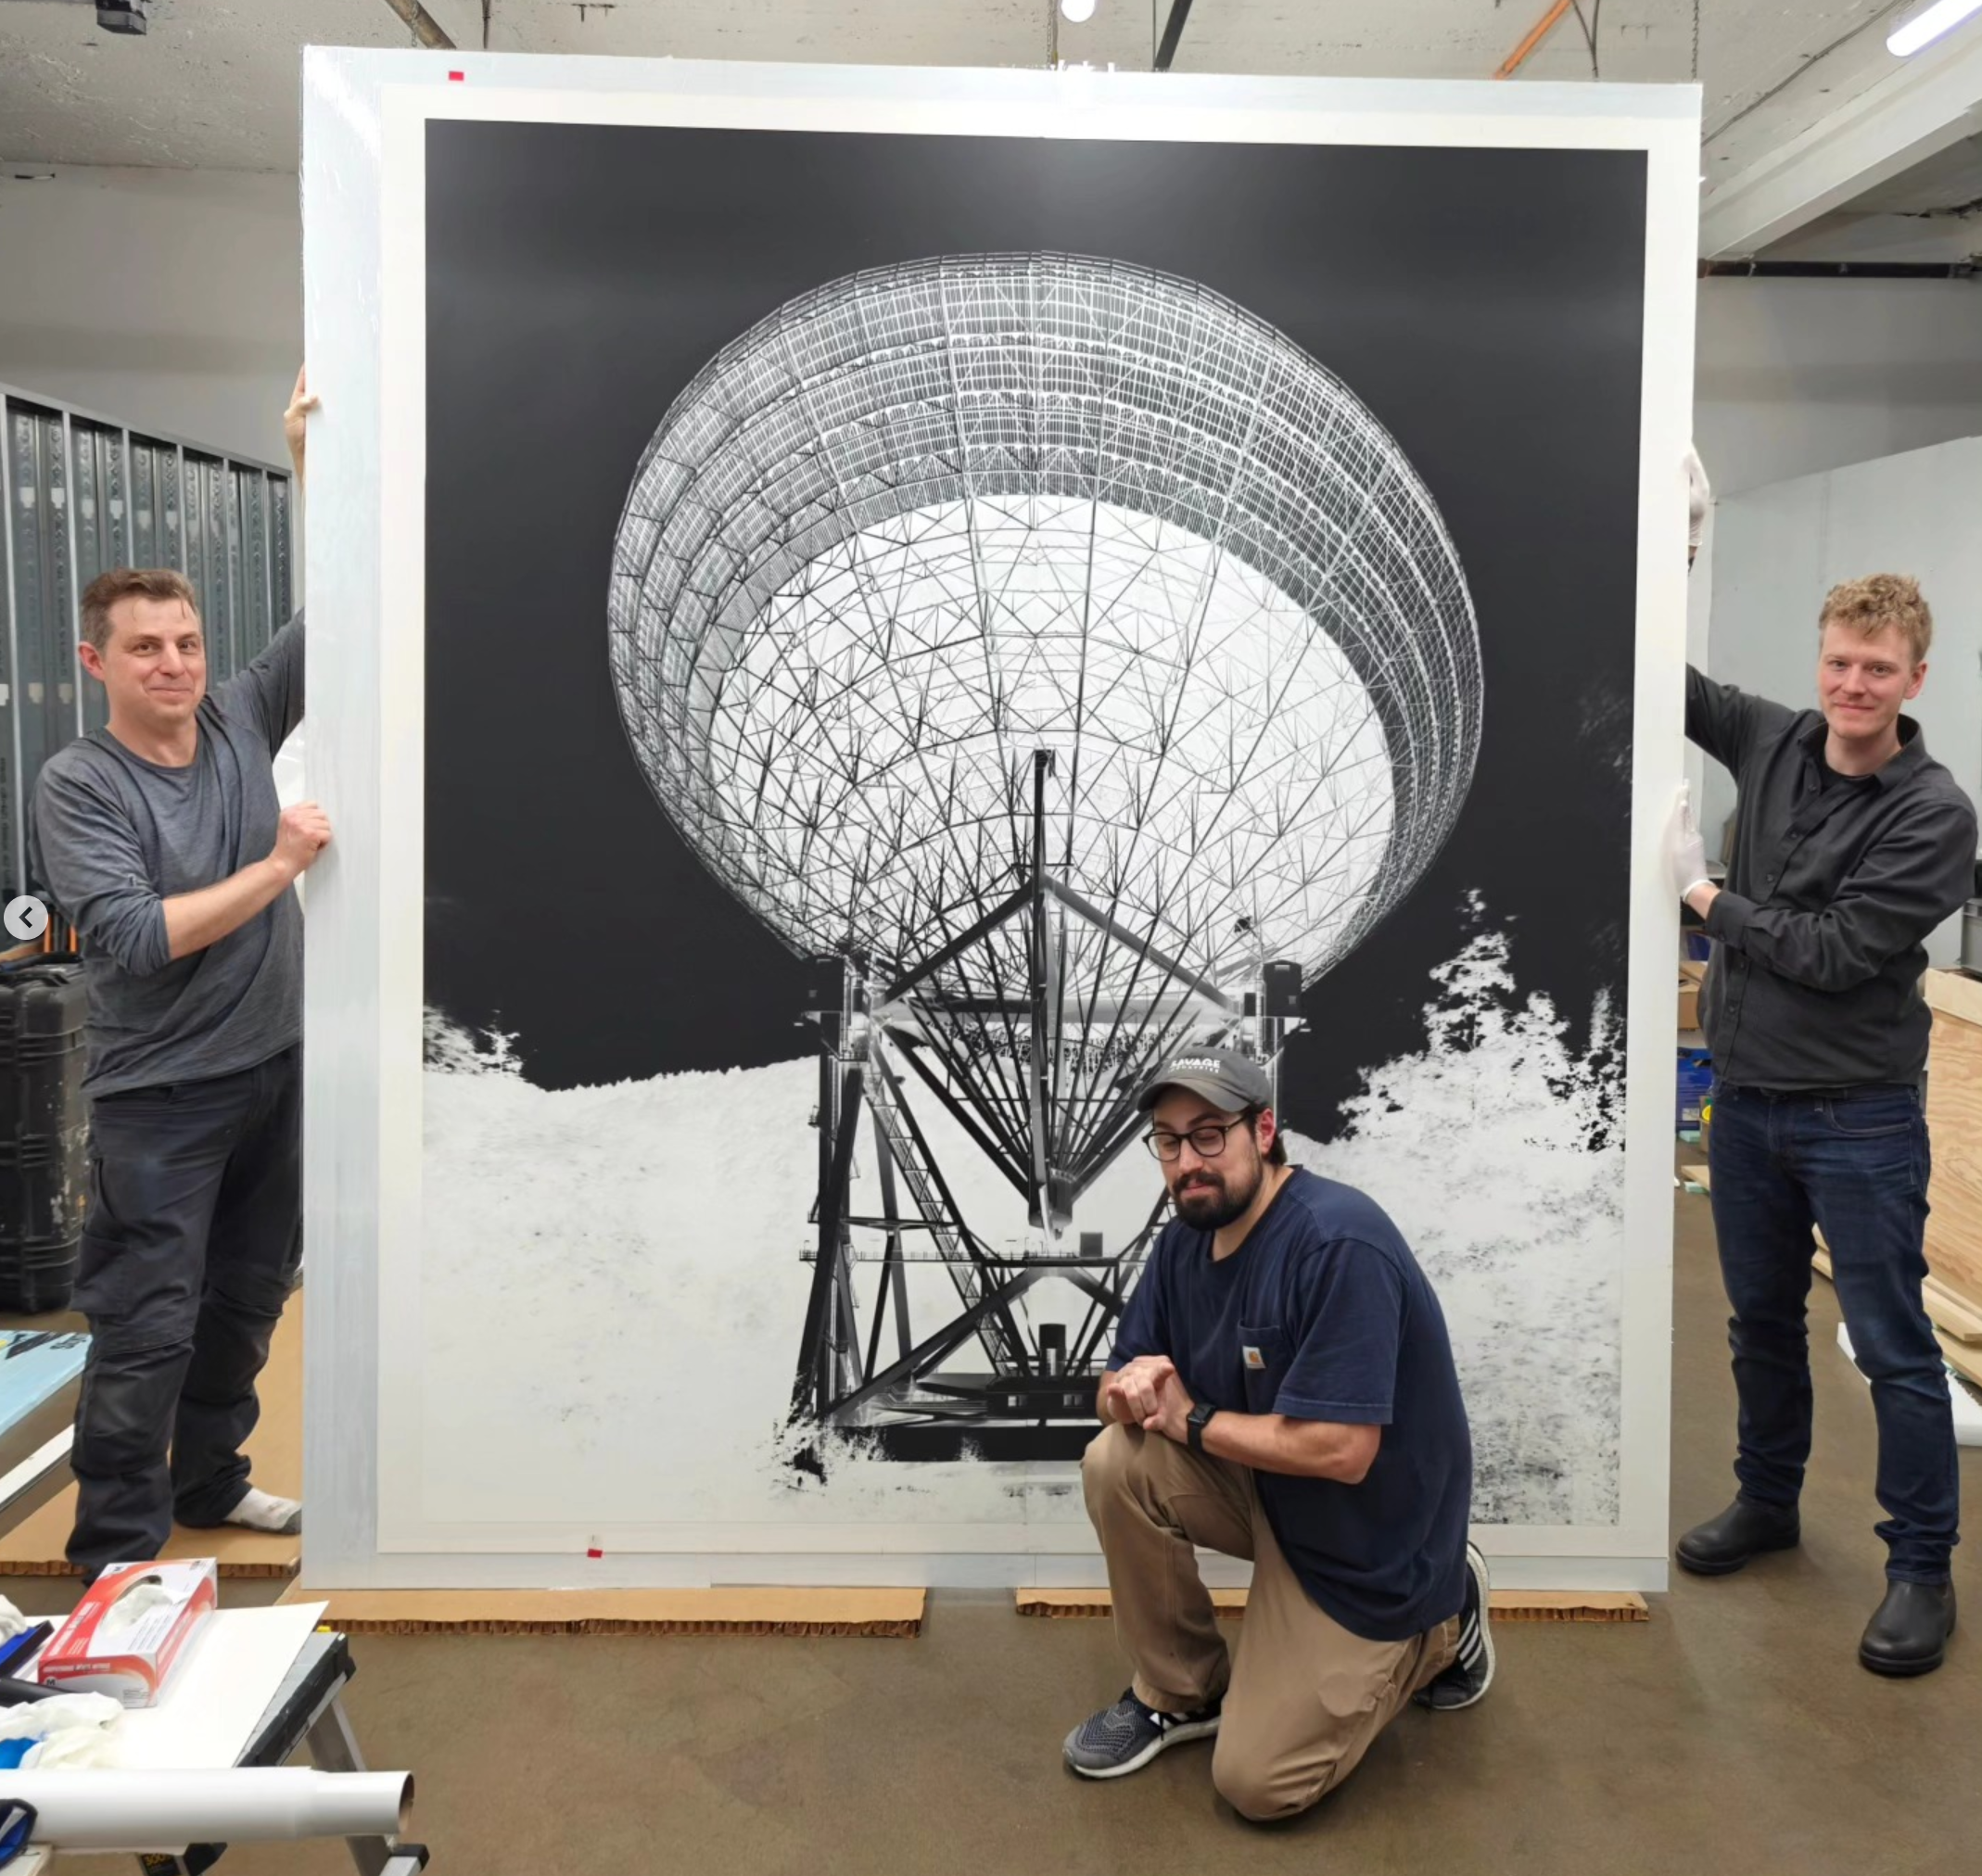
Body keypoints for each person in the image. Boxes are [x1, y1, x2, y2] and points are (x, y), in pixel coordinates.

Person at [1669, 462, 1976, 1675]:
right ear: (1820, 663)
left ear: (1913, 679)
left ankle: (1920, 1571)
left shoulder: (1933, 814)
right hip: (1744, 1106)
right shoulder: (1775, 737)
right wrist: (1675, 556)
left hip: (1857, 1118)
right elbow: (1670, 688)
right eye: (1839, 662)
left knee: (1893, 1344)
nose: (1852, 685)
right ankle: (1766, 1502)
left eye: (1876, 669)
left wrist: (1704, 899)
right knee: (1757, 1323)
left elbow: (1839, 953)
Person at [30, 367, 328, 1578]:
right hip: (161, 1099)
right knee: (146, 1325)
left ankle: (212, 1483)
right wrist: (280, 863)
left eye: (187, 642)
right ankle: (115, 1560)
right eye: (145, 647)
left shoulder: (241, 717)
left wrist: (309, 458)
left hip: (272, 1071)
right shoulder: (80, 783)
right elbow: (139, 933)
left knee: (247, 1300)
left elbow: (338, 608)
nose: (173, 663)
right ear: (96, 661)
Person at [1063, 1049, 1488, 1821]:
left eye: (1208, 1134)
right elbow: (1111, 1393)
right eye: (1168, 1141)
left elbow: (1342, 1452)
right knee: (1113, 1462)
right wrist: (1128, 1394)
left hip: (1369, 1543)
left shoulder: (1337, 1243)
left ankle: (1441, 1619)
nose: (1187, 1162)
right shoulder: (1182, 1244)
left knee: (1258, 1785)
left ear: (1263, 1131)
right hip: (1272, 1495)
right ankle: (1183, 1693)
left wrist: (1188, 1417)